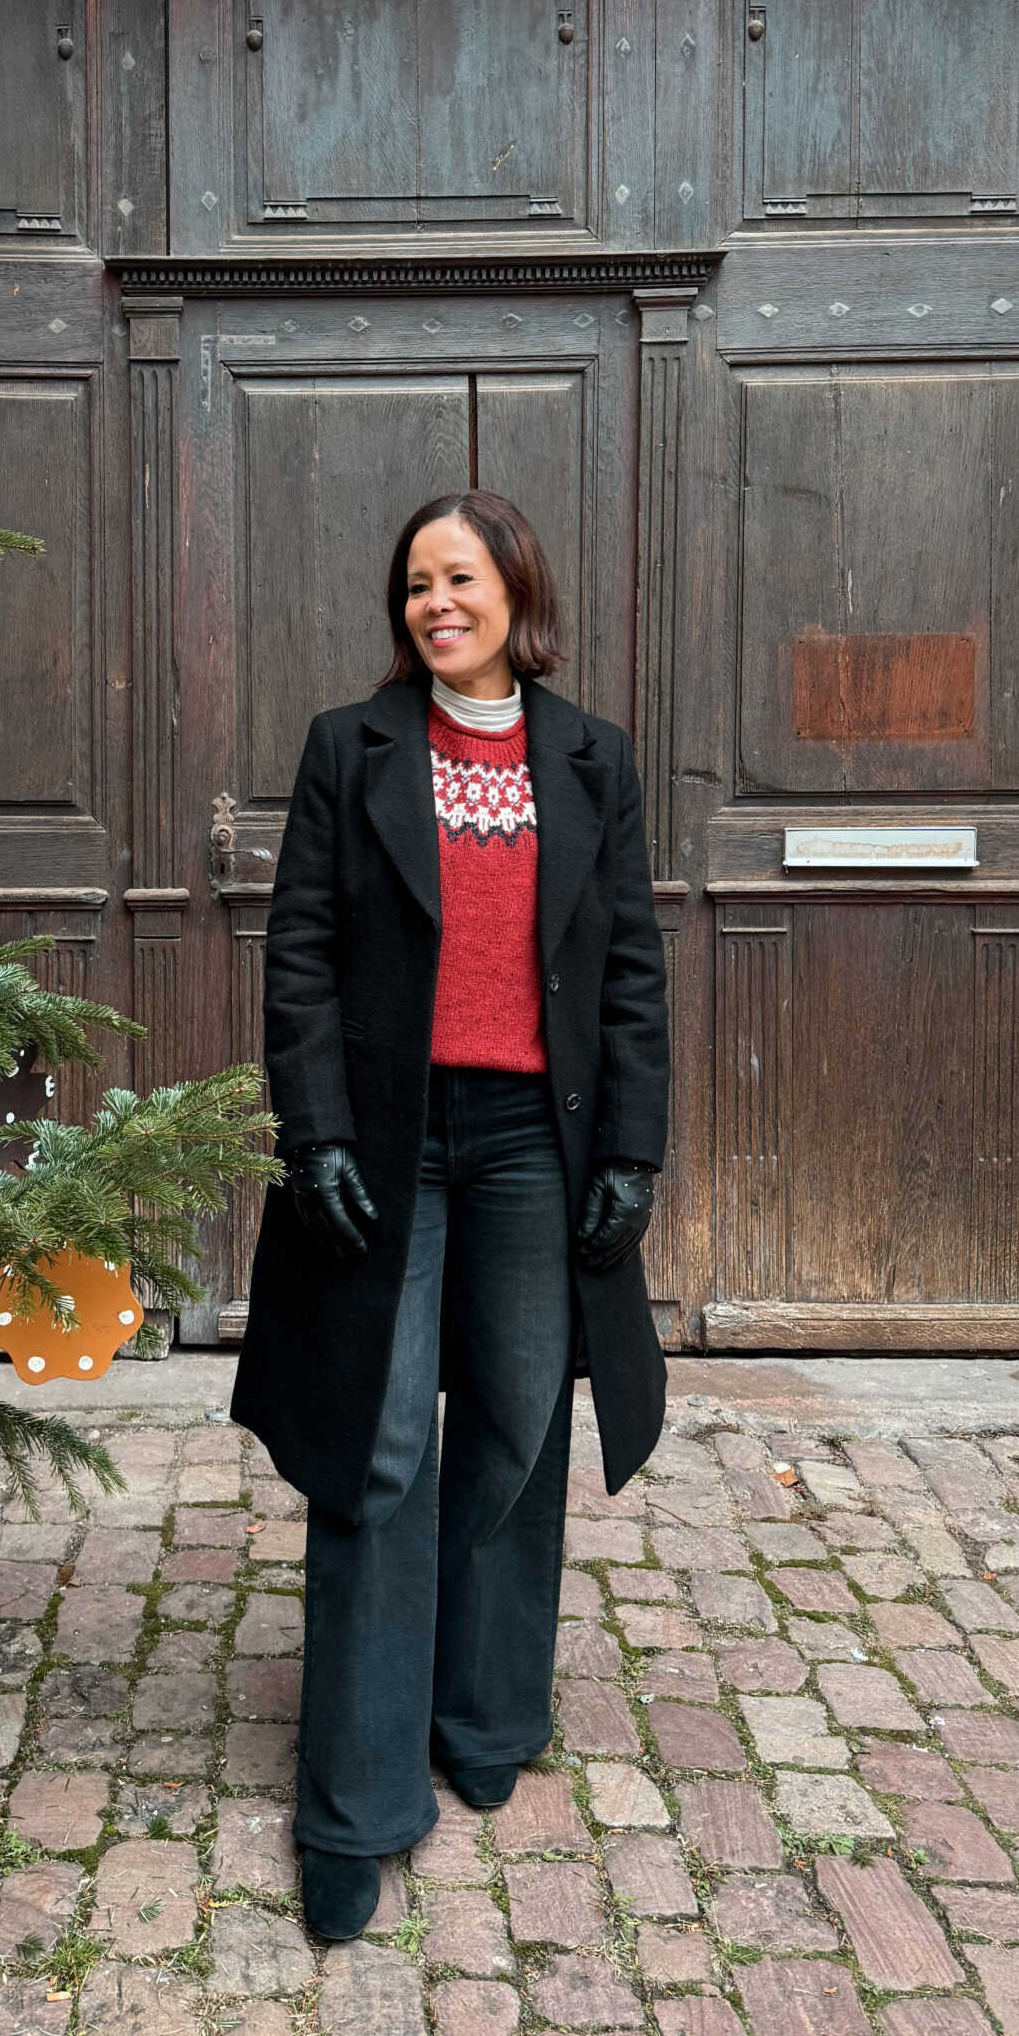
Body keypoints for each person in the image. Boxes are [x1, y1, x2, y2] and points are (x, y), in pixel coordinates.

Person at [231, 489, 671, 1942]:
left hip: (535, 1144)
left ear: (514, 594)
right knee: (377, 1446)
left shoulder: (591, 759)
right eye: (416, 581)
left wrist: (633, 1152)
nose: (437, 603)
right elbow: (298, 951)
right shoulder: (348, 750)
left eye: (461, 577)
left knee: (518, 1419)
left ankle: (486, 1713)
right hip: (396, 1138)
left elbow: (629, 972)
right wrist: (320, 1132)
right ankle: (355, 1803)